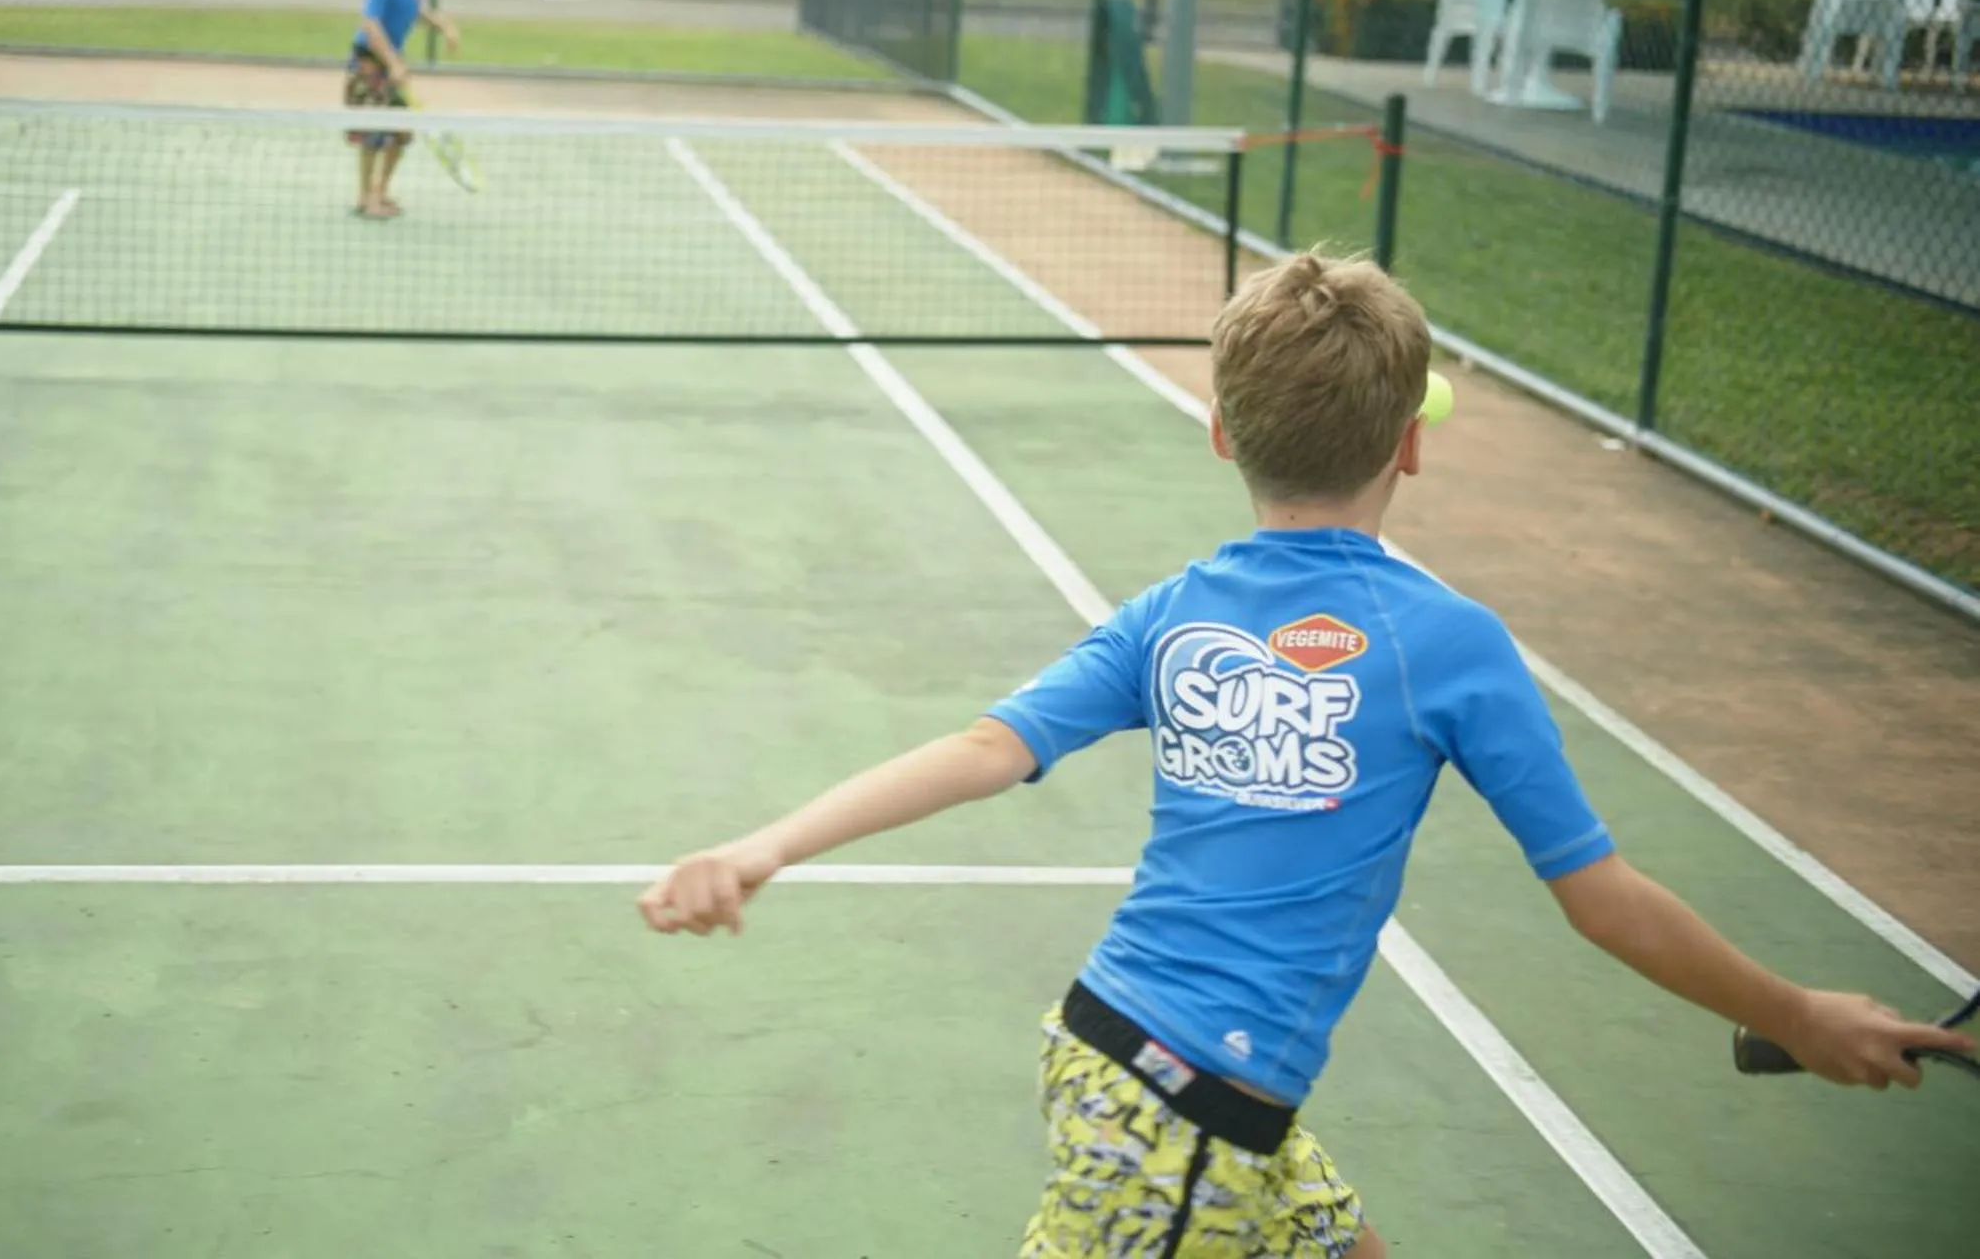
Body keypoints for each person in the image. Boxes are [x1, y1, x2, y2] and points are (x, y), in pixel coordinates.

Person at [637, 251, 1973, 1258]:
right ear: (1411, 445)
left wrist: (760, 846)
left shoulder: (1175, 612)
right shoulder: (1450, 645)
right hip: (1184, 1109)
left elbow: (983, 747)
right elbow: (1599, 896)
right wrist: (1793, 1011)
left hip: (1146, 1069)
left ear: (1221, 436)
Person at [345, 0, 456, 220]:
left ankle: (381, 190)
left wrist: (442, 26)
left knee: (402, 132)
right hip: (369, 59)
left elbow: (416, 11)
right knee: (372, 132)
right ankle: (366, 197)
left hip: (394, 60)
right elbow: (370, 22)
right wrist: (391, 63)